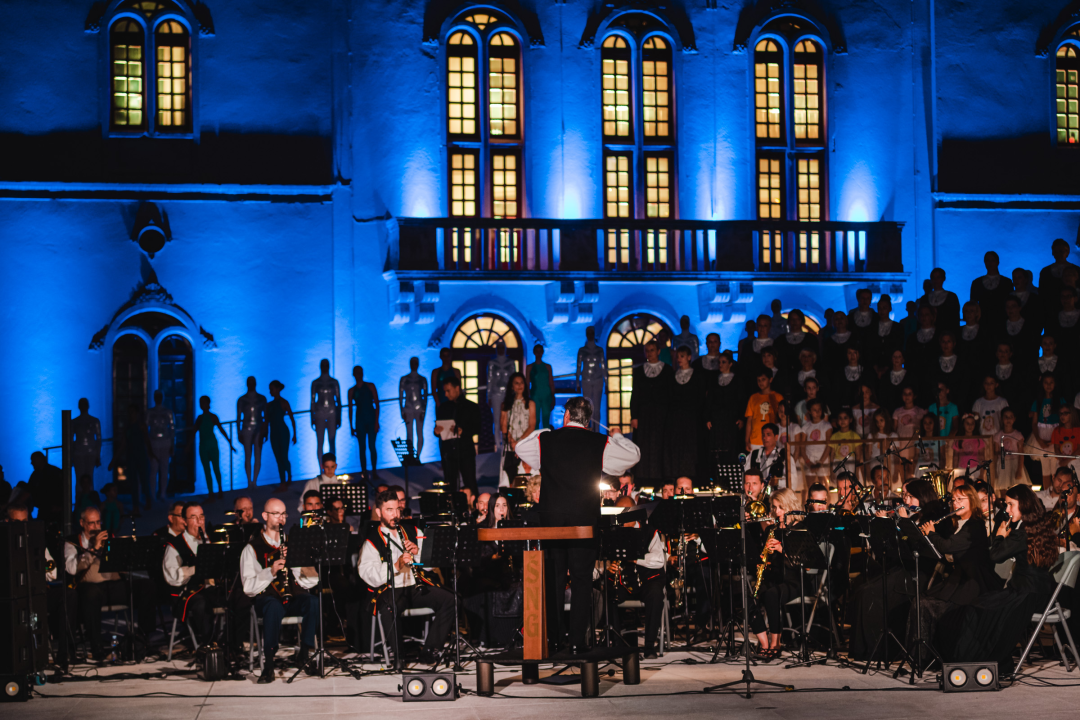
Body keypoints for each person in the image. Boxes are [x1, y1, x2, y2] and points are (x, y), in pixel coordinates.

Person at [514, 396, 641, 653]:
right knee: (582, 581)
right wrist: (615, 436)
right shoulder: (599, 441)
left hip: (552, 522)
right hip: (584, 520)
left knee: (555, 580)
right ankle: (576, 643)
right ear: (588, 419)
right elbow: (633, 456)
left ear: (566, 416)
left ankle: (554, 640)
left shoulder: (546, 439)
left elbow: (520, 449)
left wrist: (546, 432)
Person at [939, 484, 1058, 673]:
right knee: (980, 604)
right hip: (1039, 591)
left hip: (1026, 593)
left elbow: (994, 556)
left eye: (1011, 505)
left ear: (1024, 505)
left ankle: (976, 659)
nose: (1007, 510)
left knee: (978, 608)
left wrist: (1000, 536)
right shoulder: (1037, 526)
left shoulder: (1021, 532)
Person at [358, 490, 455, 664]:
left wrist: (419, 554)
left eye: (397, 509)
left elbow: (432, 564)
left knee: (451, 600)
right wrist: (396, 565)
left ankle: (429, 651)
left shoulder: (413, 530)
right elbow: (368, 575)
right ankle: (399, 657)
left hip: (414, 586)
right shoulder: (371, 541)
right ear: (379, 512)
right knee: (389, 607)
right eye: (389, 510)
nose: (395, 515)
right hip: (390, 589)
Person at [914, 484, 1000, 654]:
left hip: (973, 582)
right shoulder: (961, 523)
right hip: (960, 578)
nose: (955, 503)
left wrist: (931, 533)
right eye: (954, 500)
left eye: (960, 499)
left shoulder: (975, 526)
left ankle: (933, 654)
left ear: (972, 502)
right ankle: (923, 654)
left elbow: (948, 546)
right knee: (921, 602)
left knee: (927, 605)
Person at [241, 498, 320, 683]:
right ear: (264, 516)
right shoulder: (252, 548)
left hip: (292, 596)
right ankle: (268, 664)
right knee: (273, 607)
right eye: (275, 514)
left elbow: (311, 581)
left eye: (283, 514)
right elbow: (248, 586)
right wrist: (271, 571)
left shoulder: (294, 542)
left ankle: (305, 653)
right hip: (267, 599)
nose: (280, 518)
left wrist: (294, 563)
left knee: (312, 602)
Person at [606, 495, 667, 658]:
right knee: (607, 593)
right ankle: (617, 644)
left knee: (656, 594)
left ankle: (649, 646)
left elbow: (659, 560)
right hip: (625, 582)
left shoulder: (650, 531)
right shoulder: (612, 532)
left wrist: (635, 559)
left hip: (647, 581)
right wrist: (608, 568)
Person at [748, 487, 803, 660]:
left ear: (790, 507)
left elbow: (803, 561)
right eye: (774, 507)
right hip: (774, 578)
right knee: (748, 596)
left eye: (781, 507)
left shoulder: (799, 529)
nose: (776, 511)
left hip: (794, 581)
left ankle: (775, 643)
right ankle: (764, 642)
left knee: (772, 595)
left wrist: (781, 548)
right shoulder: (771, 529)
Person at [65, 506, 124, 662]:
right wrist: (94, 548)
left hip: (112, 585)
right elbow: (71, 569)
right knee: (91, 594)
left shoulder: (109, 538)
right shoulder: (72, 542)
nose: (96, 527)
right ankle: (97, 648)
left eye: (98, 522)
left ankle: (139, 644)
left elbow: (122, 569)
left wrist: (121, 553)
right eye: (92, 523)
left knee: (146, 587)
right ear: (82, 523)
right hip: (88, 587)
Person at [162, 502, 225, 647]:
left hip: (211, 589)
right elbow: (172, 577)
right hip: (188, 593)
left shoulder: (211, 540)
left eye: (201, 517)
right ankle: (210, 646)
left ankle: (232, 643)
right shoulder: (174, 545)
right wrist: (194, 569)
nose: (199, 522)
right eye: (194, 518)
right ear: (184, 521)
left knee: (238, 596)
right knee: (202, 603)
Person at [630, 339, 675, 486]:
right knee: (644, 444)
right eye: (647, 350)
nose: (649, 353)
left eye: (652, 350)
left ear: (658, 351)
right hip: (644, 414)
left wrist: (669, 416)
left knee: (660, 444)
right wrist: (634, 416)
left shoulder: (667, 370)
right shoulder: (638, 370)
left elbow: (670, 394)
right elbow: (635, 394)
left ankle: (661, 477)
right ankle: (643, 477)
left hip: (661, 414)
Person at [665, 346, 708, 482]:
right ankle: (677, 476)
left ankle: (692, 477)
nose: (679, 359)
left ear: (689, 357)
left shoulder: (698, 376)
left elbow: (702, 398)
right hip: (676, 419)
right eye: (678, 357)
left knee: (692, 448)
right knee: (677, 446)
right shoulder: (672, 376)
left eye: (682, 356)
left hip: (692, 419)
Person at [436, 376, 481, 495]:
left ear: (457, 388)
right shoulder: (443, 407)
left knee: (469, 481)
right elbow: (438, 427)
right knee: (450, 484)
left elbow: (478, 427)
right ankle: (452, 509)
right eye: (444, 391)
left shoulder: (471, 406)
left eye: (448, 391)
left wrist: (463, 431)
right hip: (449, 451)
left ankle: (474, 507)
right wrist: (436, 431)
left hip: (465, 450)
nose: (445, 394)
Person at [189, 395, 235, 498]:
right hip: (203, 446)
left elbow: (221, 429)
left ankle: (219, 489)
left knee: (216, 468)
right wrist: (188, 445)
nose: (202, 404)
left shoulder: (213, 417)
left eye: (204, 402)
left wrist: (229, 442)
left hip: (212, 445)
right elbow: (193, 432)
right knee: (207, 470)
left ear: (208, 404)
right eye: (201, 402)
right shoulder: (200, 418)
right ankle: (211, 493)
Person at [706, 351, 745, 467]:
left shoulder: (737, 380)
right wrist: (707, 418)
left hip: (731, 420)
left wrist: (741, 418)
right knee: (716, 448)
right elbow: (709, 401)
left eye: (723, 362)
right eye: (719, 362)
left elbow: (741, 400)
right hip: (717, 420)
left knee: (730, 447)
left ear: (730, 364)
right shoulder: (714, 380)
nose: (720, 365)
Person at [1029, 372, 1068, 488]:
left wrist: (1056, 439)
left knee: (1056, 468)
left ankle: (1057, 495)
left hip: (1056, 436)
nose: (1048, 385)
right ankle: (1047, 494)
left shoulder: (1061, 401)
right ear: (1042, 384)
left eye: (1051, 382)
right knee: (1045, 469)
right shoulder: (1038, 402)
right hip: (1042, 436)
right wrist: (1039, 440)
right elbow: (1034, 423)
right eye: (1046, 383)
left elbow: (1064, 421)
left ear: (1055, 384)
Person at [110, 403, 151, 513]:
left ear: (137, 413)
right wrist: (114, 460)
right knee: (133, 482)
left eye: (132, 412)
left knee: (144, 480)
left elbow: (147, 441)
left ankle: (148, 500)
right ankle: (136, 506)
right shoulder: (127, 428)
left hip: (141, 456)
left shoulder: (141, 426)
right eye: (129, 412)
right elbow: (123, 444)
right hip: (131, 457)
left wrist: (150, 453)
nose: (131, 414)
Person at [500, 372, 536, 486]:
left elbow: (532, 425)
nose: (520, 385)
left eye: (521, 383)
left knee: (525, 479)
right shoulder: (505, 404)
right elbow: (504, 426)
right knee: (511, 477)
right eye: (516, 383)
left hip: (525, 444)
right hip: (511, 445)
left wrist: (519, 442)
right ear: (512, 386)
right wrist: (511, 441)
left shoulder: (530, 403)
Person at [348, 366, 380, 479]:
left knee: (372, 446)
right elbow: (350, 409)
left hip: (370, 419)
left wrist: (376, 421)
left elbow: (377, 403)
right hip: (360, 420)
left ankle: (374, 471)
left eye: (360, 372)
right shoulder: (352, 391)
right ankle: (364, 472)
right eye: (356, 373)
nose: (358, 374)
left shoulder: (370, 386)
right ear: (354, 374)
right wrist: (351, 426)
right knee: (362, 447)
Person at [236, 377, 268, 489]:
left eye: (252, 383)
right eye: (249, 383)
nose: (251, 384)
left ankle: (254, 481)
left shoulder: (262, 398)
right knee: (248, 455)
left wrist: (265, 431)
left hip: (258, 428)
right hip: (246, 428)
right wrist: (238, 432)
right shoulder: (242, 400)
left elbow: (265, 417)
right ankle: (249, 481)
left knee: (257, 455)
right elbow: (238, 417)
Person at [266, 380, 297, 489]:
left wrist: (294, 434)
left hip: (283, 432)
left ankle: (288, 477)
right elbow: (267, 421)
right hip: (274, 433)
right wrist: (265, 434)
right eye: (270, 389)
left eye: (272, 389)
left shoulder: (284, 402)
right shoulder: (269, 405)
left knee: (283, 456)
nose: (270, 391)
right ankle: (283, 481)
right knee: (278, 458)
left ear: (277, 389)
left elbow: (292, 418)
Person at [310, 359, 342, 466]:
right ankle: (321, 469)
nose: (324, 367)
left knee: (332, 442)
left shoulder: (334, 382)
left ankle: (332, 467)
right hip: (319, 413)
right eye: (323, 365)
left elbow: (338, 400)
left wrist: (339, 417)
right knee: (320, 442)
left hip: (332, 412)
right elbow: (312, 401)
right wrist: (312, 417)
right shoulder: (315, 383)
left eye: (326, 365)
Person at [1039, 238, 1080, 320]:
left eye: (1061, 251)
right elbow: (1042, 294)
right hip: (1051, 312)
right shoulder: (1045, 271)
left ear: (1067, 252)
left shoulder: (1077, 270)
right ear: (1052, 253)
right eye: (1056, 251)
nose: (1058, 254)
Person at [744, 369, 783, 454]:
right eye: (758, 380)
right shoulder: (753, 398)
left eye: (763, 379)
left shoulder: (778, 397)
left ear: (770, 380)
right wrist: (747, 441)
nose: (760, 382)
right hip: (756, 440)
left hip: (772, 440)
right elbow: (749, 420)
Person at [969, 250, 1013, 325]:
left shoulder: (1007, 282)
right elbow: (973, 305)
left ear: (997, 262)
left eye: (992, 260)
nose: (989, 263)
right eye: (987, 260)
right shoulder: (976, 283)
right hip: (983, 322)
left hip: (1002, 322)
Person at [146, 389, 175, 501]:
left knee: (164, 469)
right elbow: (146, 428)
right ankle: (153, 494)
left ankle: (162, 493)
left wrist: (173, 444)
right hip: (154, 442)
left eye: (160, 396)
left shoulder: (168, 412)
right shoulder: (150, 412)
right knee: (153, 469)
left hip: (165, 442)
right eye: (156, 396)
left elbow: (172, 429)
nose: (158, 398)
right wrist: (148, 445)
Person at [488, 342, 518, 448]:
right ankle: (498, 444)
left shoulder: (510, 363)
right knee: (497, 419)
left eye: (502, 348)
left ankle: (508, 442)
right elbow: (490, 380)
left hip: (507, 394)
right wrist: (489, 396)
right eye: (499, 348)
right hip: (496, 393)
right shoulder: (492, 363)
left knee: (509, 418)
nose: (501, 350)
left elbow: (514, 379)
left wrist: (514, 394)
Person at [399, 357, 429, 457]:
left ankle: (418, 456)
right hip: (408, 408)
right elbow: (400, 396)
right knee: (409, 434)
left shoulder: (422, 379)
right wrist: (402, 410)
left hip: (419, 407)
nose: (414, 365)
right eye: (412, 363)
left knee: (419, 433)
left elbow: (425, 396)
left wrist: (424, 410)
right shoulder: (404, 379)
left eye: (415, 363)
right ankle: (411, 455)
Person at [993, 408, 1029, 492]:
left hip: (1015, 463)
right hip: (1002, 465)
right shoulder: (998, 436)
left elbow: (1021, 454)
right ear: (1001, 419)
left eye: (1010, 417)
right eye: (1006, 417)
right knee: (1003, 489)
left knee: (1016, 489)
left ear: (1014, 419)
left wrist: (1019, 470)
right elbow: (995, 454)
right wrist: (994, 470)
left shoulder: (1017, 435)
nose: (1008, 419)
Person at [26, 451, 65, 529]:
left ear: (40, 459)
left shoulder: (55, 472)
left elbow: (64, 490)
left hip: (55, 511)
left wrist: (61, 507)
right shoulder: (36, 475)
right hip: (44, 511)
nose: (31, 463)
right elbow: (29, 491)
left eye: (33, 460)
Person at [71, 398, 102, 491]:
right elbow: (71, 440)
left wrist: (97, 455)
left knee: (89, 477)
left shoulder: (94, 421)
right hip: (79, 453)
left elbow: (99, 440)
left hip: (90, 452)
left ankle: (88, 500)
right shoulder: (75, 422)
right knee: (80, 478)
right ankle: (80, 501)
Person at [747, 423, 785, 489]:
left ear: (776, 437)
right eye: (763, 435)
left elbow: (793, 481)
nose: (764, 438)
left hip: (777, 495)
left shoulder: (783, 454)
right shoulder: (754, 454)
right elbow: (745, 473)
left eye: (768, 435)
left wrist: (778, 482)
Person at [525, 345, 555, 429]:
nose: (538, 353)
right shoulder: (529, 367)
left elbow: (551, 383)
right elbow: (527, 383)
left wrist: (553, 396)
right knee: (535, 419)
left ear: (542, 353)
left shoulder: (548, 367)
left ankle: (546, 440)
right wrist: (527, 397)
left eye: (540, 351)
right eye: (537, 351)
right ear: (534, 352)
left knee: (546, 418)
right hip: (535, 395)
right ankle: (536, 440)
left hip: (546, 394)